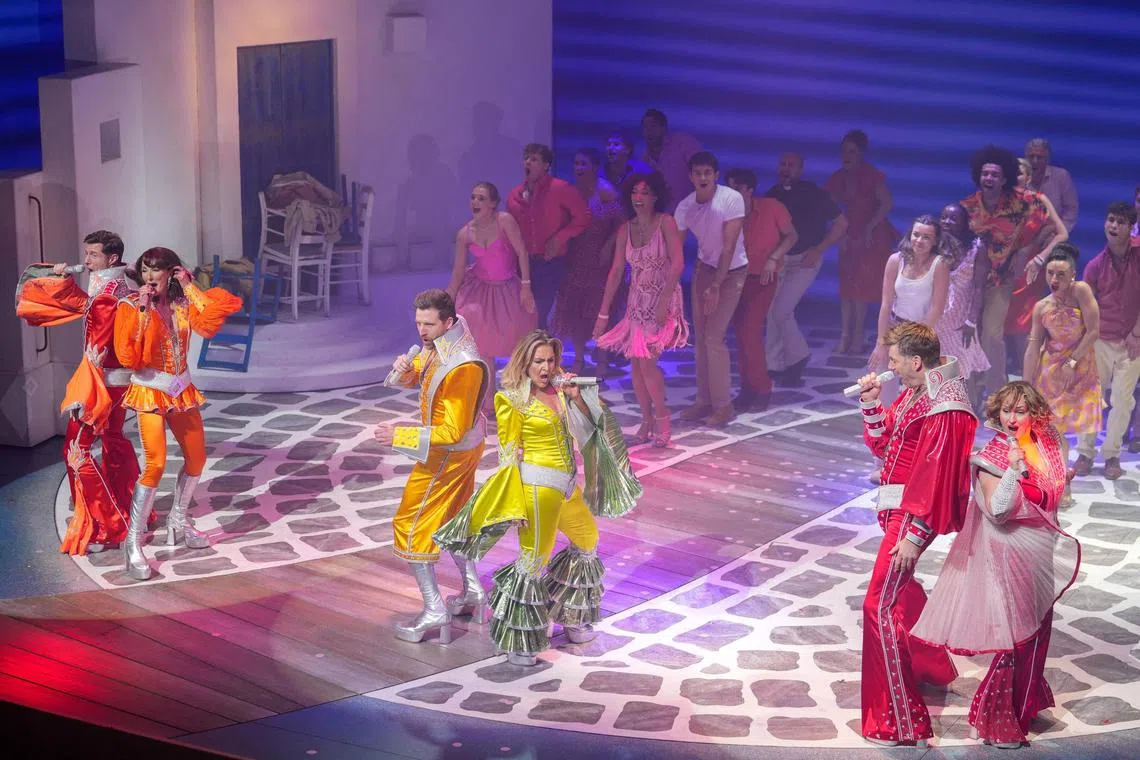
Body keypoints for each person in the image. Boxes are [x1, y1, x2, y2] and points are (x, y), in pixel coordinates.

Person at [434, 330, 642, 665]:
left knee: (587, 542)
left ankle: (570, 617)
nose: (545, 367)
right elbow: (507, 455)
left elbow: (599, 426)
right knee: (533, 563)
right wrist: (512, 502)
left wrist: (579, 396)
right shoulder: (512, 399)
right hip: (535, 490)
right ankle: (518, 640)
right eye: (538, 361)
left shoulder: (562, 393)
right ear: (525, 363)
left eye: (550, 360)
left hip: (567, 487)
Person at [912, 381, 1079, 748]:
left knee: (1038, 629)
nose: (1012, 418)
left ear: (1034, 415)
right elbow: (998, 511)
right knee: (1015, 636)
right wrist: (1013, 471)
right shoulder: (992, 455)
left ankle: (1026, 703)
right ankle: (997, 719)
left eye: (1020, 411)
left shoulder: (1045, 443)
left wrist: (1063, 481)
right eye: (1006, 410)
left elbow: (1052, 497)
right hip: (1008, 554)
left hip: (1040, 551)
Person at [853, 321, 977, 747]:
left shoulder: (943, 406)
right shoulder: (914, 392)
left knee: (879, 605)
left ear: (916, 361)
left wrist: (915, 534)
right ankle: (928, 668)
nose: (889, 368)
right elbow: (885, 442)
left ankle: (898, 722)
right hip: (895, 511)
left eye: (894, 361)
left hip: (910, 517)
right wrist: (871, 403)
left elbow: (936, 476)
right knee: (902, 594)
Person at [113, 247, 242, 580]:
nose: (151, 277)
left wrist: (190, 287)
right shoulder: (129, 306)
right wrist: (143, 310)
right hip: (149, 392)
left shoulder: (183, 304)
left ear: (171, 272)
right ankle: (133, 543)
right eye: (145, 271)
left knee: (197, 460)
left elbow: (210, 323)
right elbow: (129, 357)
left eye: (158, 271)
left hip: (181, 391)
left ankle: (178, 521)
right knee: (155, 463)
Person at [374, 289, 491, 643]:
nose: (421, 331)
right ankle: (473, 593)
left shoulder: (463, 367)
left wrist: (400, 436)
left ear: (448, 322)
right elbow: (422, 377)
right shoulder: (445, 343)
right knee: (455, 519)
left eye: (428, 324)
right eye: (418, 324)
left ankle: (434, 609)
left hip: (449, 454)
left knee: (411, 524)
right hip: (460, 449)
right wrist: (404, 370)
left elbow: (452, 430)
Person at [15, 230, 139, 555]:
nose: (85, 261)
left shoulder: (107, 295)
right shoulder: (116, 287)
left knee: (75, 449)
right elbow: (87, 307)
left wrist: (82, 396)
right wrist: (64, 285)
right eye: (85, 254)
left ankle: (104, 525)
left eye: (93, 255)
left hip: (100, 383)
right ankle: (127, 509)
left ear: (111, 258)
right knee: (114, 440)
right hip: (118, 382)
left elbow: (95, 351)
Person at [594, 172, 689, 447]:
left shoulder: (666, 223)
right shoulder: (626, 228)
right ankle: (646, 419)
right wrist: (603, 313)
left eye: (645, 192)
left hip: (664, 299)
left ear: (655, 196)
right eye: (635, 192)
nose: (639, 197)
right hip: (637, 301)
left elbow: (678, 265)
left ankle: (662, 416)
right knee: (636, 365)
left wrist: (662, 305)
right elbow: (615, 273)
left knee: (647, 364)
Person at [961, 146, 1052, 399]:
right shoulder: (968, 206)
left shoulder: (1019, 205)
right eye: (985, 174)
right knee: (969, 335)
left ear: (1004, 180)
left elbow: (1050, 224)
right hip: (970, 281)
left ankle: (995, 394)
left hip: (1000, 279)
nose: (988, 178)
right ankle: (968, 394)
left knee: (992, 335)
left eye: (994, 175)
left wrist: (1025, 252)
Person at [674, 151, 748, 427]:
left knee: (715, 337)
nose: (703, 177)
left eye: (708, 173)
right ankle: (703, 401)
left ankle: (723, 406)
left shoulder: (731, 199)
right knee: (701, 337)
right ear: (691, 177)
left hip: (732, 271)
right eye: (697, 173)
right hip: (704, 269)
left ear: (716, 175)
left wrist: (717, 284)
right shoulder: (685, 207)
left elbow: (729, 246)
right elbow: (676, 248)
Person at [1023, 244, 1101, 501]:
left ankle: (1060, 480)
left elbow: (1093, 331)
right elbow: (1034, 346)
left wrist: (1073, 362)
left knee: (1062, 430)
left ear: (1072, 276)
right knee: (1051, 429)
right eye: (1050, 274)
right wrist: (1025, 385)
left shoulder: (1081, 291)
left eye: (1060, 275)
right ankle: (1060, 481)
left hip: (1079, 369)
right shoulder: (1042, 307)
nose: (1054, 280)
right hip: (1051, 371)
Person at [765, 152, 848, 386]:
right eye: (783, 164)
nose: (786, 168)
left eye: (791, 165)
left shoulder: (814, 194)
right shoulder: (773, 195)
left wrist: (819, 249)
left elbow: (842, 223)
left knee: (781, 310)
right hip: (781, 259)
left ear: (800, 169)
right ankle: (775, 364)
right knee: (773, 311)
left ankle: (798, 356)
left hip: (805, 260)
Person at [447, 181, 536, 395]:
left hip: (507, 289)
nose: (475, 202)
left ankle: (523, 394)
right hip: (480, 291)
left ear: (493, 203)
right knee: (483, 347)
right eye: (473, 197)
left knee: (518, 343)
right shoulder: (464, 233)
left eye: (481, 198)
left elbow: (522, 252)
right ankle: (487, 400)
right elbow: (458, 271)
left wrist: (526, 286)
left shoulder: (504, 221)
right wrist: (448, 297)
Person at [1073, 202, 1140, 480]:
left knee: (1123, 400)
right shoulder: (1094, 266)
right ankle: (1086, 453)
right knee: (1092, 398)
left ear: (1131, 227)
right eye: (1110, 220)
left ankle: (1111, 454)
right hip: (1100, 340)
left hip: (1133, 341)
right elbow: (1086, 309)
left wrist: (1136, 333)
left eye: (1121, 222)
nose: (1114, 226)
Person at [725, 168, 798, 412]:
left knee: (750, 333)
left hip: (763, 279)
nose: (732, 193)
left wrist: (773, 258)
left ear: (749, 190)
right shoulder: (727, 214)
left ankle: (763, 388)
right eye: (729, 188)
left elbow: (791, 237)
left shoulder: (771, 207)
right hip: (735, 279)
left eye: (737, 188)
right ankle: (747, 389)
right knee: (740, 335)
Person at [552, 148, 624, 376]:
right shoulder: (571, 191)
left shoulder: (606, 193)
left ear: (594, 167)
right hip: (575, 258)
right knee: (575, 311)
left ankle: (602, 360)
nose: (579, 168)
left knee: (599, 311)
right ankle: (580, 359)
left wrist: (609, 246)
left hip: (599, 260)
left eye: (584, 163)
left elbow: (622, 224)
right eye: (576, 163)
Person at [826, 130, 898, 354]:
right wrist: (840, 232)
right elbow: (829, 207)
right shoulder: (838, 177)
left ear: (861, 154)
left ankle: (857, 336)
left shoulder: (872, 175)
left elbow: (886, 204)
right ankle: (844, 335)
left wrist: (869, 227)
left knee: (862, 287)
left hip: (872, 235)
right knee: (846, 284)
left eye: (853, 151)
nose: (847, 155)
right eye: (844, 151)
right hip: (848, 231)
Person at [506, 143, 592, 330]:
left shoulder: (560, 189)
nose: (528, 162)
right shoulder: (515, 195)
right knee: (523, 313)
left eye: (534, 159)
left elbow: (583, 217)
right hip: (523, 263)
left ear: (546, 165)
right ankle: (530, 354)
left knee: (539, 312)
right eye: (526, 158)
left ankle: (539, 354)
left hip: (550, 261)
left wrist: (560, 237)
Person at [1003, 157, 1069, 376]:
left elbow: (1062, 233)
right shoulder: (999, 201)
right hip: (1001, 271)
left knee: (1024, 328)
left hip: (1028, 271)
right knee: (996, 330)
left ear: (1029, 177)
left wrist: (1040, 257)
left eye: (1020, 173)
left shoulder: (1039, 200)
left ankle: (1029, 381)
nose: (1016, 177)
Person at [868, 216, 950, 370]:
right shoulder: (895, 260)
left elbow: (937, 309)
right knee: (885, 384)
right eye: (916, 234)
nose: (919, 240)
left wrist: (916, 341)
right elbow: (886, 305)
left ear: (935, 241)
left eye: (926, 237)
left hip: (924, 333)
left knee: (916, 387)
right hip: (895, 328)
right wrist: (881, 342)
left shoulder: (940, 265)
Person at [935, 204, 991, 408]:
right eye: (944, 217)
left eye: (953, 218)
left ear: (965, 223)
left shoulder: (977, 247)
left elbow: (978, 287)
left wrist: (971, 320)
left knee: (962, 370)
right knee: (935, 370)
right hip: (935, 318)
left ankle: (967, 416)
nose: (947, 222)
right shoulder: (934, 244)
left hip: (961, 321)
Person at [640, 109, 702, 214]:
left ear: (664, 128)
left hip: (692, 215)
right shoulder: (644, 161)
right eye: (645, 127)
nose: (649, 131)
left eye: (653, 126)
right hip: (661, 219)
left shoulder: (683, 144)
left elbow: (702, 169)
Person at [1024, 138, 1078, 232]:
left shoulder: (1061, 176)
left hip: (1054, 234)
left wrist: (1059, 233)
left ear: (1047, 160)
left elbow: (1071, 209)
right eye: (1031, 156)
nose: (1035, 161)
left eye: (1039, 157)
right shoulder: (1019, 178)